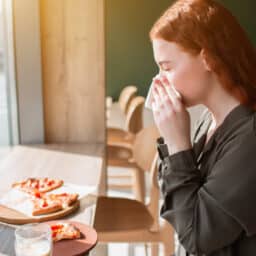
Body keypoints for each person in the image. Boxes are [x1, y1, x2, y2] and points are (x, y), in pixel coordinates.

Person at [148, 0, 256, 255]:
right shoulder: (208, 120)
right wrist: (173, 141)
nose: (158, 80)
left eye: (166, 67)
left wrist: (177, 146)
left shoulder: (250, 137)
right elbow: (176, 199)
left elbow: (197, 237)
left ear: (207, 58)